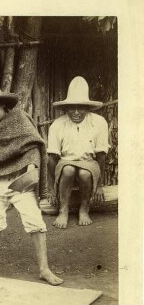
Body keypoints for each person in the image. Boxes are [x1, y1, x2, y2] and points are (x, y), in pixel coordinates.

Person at [0, 77, 63, 286]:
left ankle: (44, 268)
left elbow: (33, 146)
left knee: (34, 221)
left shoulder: (19, 120)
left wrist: (31, 169)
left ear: (2, 104)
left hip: (19, 181)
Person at [46, 76, 109, 229]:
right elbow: (52, 159)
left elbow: (101, 157)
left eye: (80, 107)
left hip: (89, 163)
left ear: (87, 108)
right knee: (68, 170)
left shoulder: (99, 122)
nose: (75, 112)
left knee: (84, 174)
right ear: (66, 108)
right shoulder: (58, 125)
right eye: (71, 107)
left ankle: (84, 209)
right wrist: (50, 189)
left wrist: (99, 185)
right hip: (66, 162)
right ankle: (63, 210)